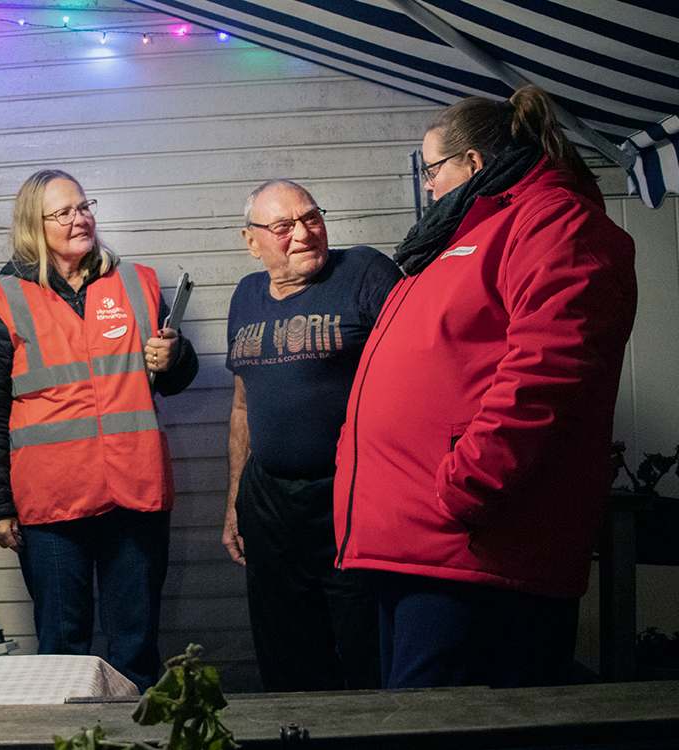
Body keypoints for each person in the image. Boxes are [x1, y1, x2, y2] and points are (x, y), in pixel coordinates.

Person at [333, 85, 638, 689]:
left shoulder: (553, 221)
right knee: (412, 727)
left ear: (473, 162)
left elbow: (551, 370)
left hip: (474, 548)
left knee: (448, 731)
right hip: (422, 545)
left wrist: (467, 487)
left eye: (432, 168)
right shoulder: (461, 240)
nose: (426, 184)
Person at [0, 169, 198, 692]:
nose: (80, 219)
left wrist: (175, 356)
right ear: (33, 225)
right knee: (64, 650)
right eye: (63, 212)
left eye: (84, 206)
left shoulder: (137, 282)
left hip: (134, 494)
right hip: (51, 504)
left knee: (136, 645)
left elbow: (175, 377)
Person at [223, 179, 402, 691]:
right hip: (269, 503)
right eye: (283, 226)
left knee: (368, 655)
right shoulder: (247, 295)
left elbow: (420, 373)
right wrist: (235, 498)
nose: (303, 233)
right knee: (287, 662)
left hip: (350, 498)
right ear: (252, 241)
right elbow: (241, 405)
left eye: (312, 217)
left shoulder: (365, 272)